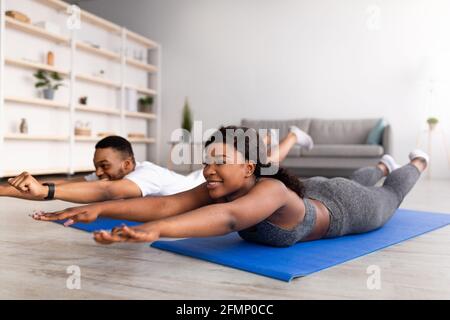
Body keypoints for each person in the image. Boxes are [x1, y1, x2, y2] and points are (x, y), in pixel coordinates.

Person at [32, 126, 428, 247]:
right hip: (318, 187)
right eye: (207, 162)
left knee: (388, 194)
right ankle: (377, 164)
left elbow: (229, 218)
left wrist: (156, 233)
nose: (209, 170)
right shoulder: (223, 187)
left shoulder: (270, 192)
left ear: (250, 168)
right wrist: (100, 209)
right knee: (340, 179)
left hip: (349, 209)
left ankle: (413, 162)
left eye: (220, 162)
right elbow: (166, 206)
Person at [1, 127, 312, 203]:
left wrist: (46, 191)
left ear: (128, 165)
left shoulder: (145, 175)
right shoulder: (113, 176)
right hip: (194, 177)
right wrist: (8, 190)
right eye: (96, 167)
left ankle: (292, 136)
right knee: (259, 159)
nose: (98, 173)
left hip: (196, 183)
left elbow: (105, 192)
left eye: (105, 166)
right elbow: (84, 185)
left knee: (265, 164)